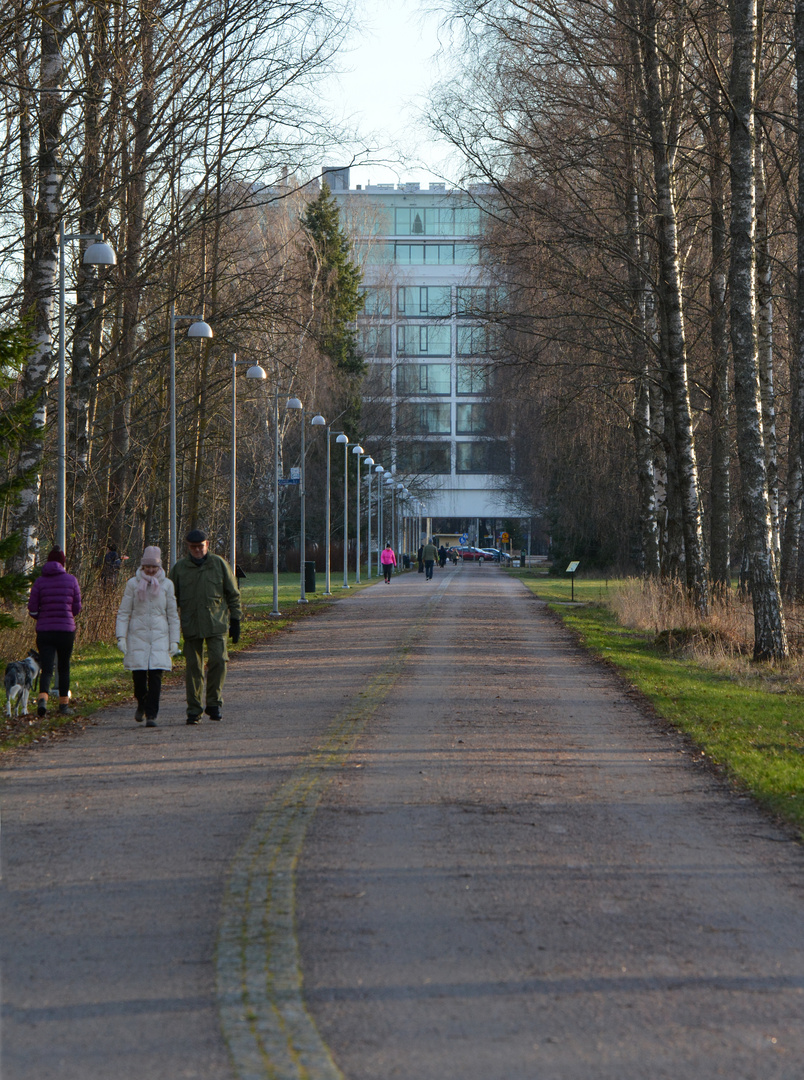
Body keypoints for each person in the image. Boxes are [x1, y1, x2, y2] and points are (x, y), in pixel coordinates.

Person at [169, 529, 241, 724]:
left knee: (219, 661)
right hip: (191, 625)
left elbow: (233, 594)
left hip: (216, 623)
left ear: (207, 545)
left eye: (201, 546)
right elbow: (169, 600)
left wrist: (236, 620)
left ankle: (214, 703)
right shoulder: (179, 569)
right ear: (188, 547)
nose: (198, 550)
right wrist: (169, 626)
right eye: (193, 547)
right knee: (194, 668)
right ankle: (194, 709)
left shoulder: (218, 564)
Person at [115, 546, 180, 728]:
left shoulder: (167, 585)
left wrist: (174, 640)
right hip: (137, 636)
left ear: (159, 566)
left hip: (160, 637)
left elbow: (172, 615)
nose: (150, 570)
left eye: (154, 567)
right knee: (139, 679)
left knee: (156, 678)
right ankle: (141, 703)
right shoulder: (132, 584)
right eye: (147, 567)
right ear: (142, 566)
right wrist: (121, 637)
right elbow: (124, 612)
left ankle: (152, 714)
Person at [27, 547, 82, 717]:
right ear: (63, 562)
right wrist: (66, 616)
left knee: (47, 668)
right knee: (64, 668)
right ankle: (63, 705)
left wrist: (42, 618)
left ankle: (42, 700)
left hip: (45, 631)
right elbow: (77, 608)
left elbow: (32, 609)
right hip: (66, 631)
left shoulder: (39, 582)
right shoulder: (71, 580)